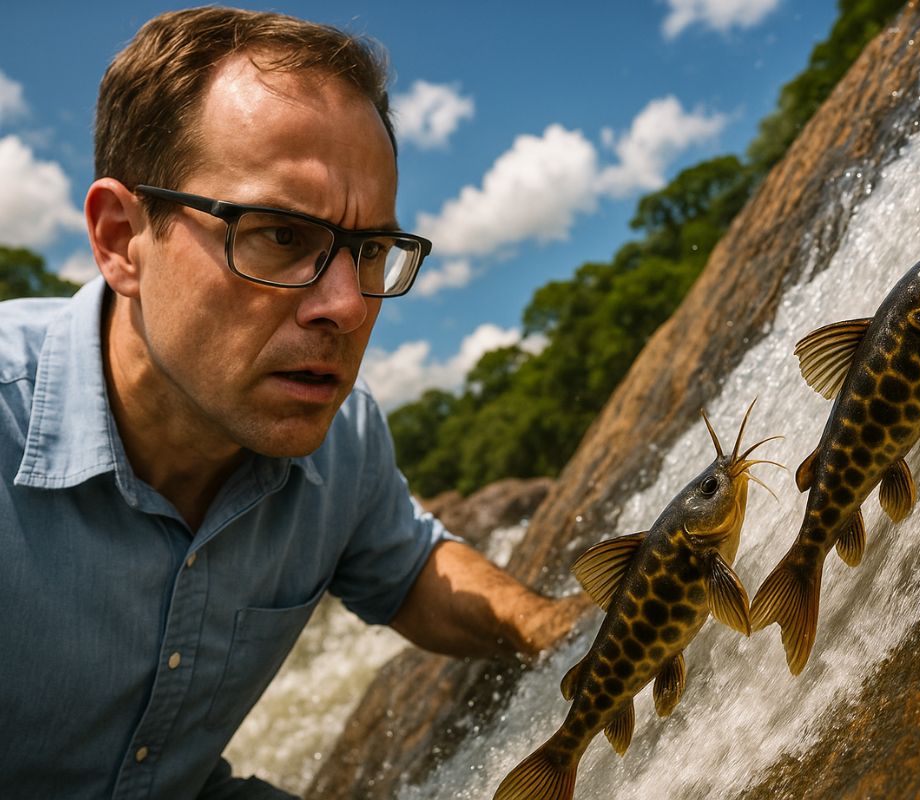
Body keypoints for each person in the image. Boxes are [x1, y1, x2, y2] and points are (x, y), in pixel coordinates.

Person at [0, 7, 588, 798]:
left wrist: (553, 627)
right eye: (279, 234)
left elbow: (412, 569)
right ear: (121, 239)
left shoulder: (341, 439)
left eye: (371, 250)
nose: (345, 306)